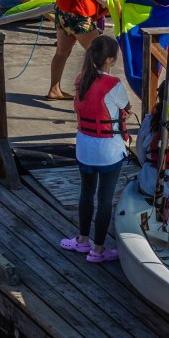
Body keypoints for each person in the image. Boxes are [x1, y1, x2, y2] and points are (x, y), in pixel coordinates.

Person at [59, 36, 129, 263]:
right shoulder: (114, 85)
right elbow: (126, 108)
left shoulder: (81, 79)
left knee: (86, 193)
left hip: (85, 146)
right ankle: (98, 250)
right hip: (109, 150)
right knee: (105, 199)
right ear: (110, 60)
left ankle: (82, 240)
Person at [46, 0, 106, 101]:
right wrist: (114, 2)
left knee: (61, 53)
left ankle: (54, 90)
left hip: (63, 15)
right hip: (79, 18)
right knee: (99, 54)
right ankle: (92, 95)